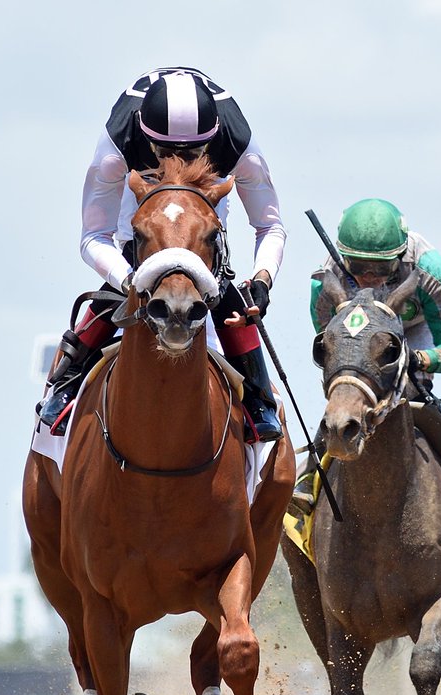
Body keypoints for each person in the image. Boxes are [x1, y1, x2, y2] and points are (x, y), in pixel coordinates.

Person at [37, 66, 286, 441]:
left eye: (193, 155)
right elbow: (93, 237)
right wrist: (130, 281)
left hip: (202, 216)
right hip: (138, 208)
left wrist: (263, 279)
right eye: (166, 154)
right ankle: (65, 386)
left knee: (226, 295)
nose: (178, 167)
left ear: (213, 138)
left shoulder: (239, 145)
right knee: (128, 271)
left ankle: (260, 399)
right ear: (144, 134)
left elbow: (269, 225)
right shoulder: (116, 149)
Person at [292, 197, 441, 514]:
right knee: (350, 389)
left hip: (414, 329)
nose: (369, 278)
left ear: (399, 257)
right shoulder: (326, 279)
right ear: (344, 256)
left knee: (412, 389)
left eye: (382, 269)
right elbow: (333, 348)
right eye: (358, 268)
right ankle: (308, 475)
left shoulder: (428, 270)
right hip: (359, 334)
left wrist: (418, 360)